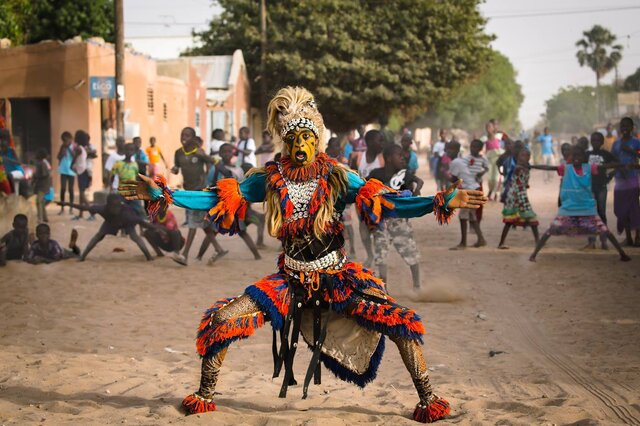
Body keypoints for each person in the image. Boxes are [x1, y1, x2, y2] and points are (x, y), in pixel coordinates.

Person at [120, 87, 487, 423]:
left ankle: (428, 398)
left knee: (402, 325)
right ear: (285, 140)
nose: (300, 145)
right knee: (221, 320)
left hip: (338, 278)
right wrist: (165, 196)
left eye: (307, 138)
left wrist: (437, 202)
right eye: (294, 138)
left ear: (317, 140)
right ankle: (204, 395)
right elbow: (215, 198)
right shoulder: (269, 177)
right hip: (289, 280)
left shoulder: (337, 176)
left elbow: (388, 203)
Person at [529, 145, 632, 262]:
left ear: (584, 157)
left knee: (606, 231)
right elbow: (549, 167)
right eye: (574, 155)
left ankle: (622, 254)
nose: (576, 157)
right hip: (568, 208)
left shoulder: (590, 168)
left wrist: (621, 165)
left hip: (586, 208)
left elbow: (606, 166)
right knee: (549, 232)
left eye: (579, 155)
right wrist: (531, 166)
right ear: (570, 157)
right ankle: (534, 254)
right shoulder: (566, 168)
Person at [369, 143, 424, 289]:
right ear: (388, 158)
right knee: (381, 255)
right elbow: (365, 189)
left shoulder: (405, 174)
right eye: (399, 155)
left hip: (400, 221)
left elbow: (419, 181)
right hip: (381, 221)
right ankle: (384, 288)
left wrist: (416, 191)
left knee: (410, 252)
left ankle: (417, 286)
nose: (402, 158)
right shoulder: (376, 174)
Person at [199, 143, 262, 262]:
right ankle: (199, 256)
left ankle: (256, 255)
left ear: (233, 153)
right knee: (213, 230)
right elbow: (210, 184)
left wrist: (245, 204)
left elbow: (242, 188)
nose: (226, 154)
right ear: (220, 154)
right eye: (224, 151)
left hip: (234, 206)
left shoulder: (238, 170)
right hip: (220, 205)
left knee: (242, 231)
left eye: (229, 151)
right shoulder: (215, 169)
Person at [172, 127, 226, 265]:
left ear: (193, 138)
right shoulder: (178, 152)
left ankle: (184, 256)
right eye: (182, 134)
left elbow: (213, 162)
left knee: (192, 223)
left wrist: (211, 175)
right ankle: (218, 249)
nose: (184, 137)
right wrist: (175, 169)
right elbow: (177, 166)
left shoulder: (199, 152)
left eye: (187, 135)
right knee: (203, 223)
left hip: (199, 191)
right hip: (188, 191)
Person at [59, 194, 153, 261]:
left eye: (117, 206)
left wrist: (156, 228)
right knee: (98, 236)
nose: (116, 209)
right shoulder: (102, 209)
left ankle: (148, 256)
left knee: (135, 237)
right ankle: (82, 256)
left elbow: (141, 221)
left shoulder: (127, 213)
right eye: (113, 206)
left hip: (126, 222)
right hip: (110, 222)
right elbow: (84, 208)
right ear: (108, 206)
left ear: (120, 205)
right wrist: (67, 204)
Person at [350, 129, 385, 267]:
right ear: (369, 142)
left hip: (378, 201)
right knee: (364, 231)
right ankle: (370, 254)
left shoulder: (382, 159)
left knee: (378, 230)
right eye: (379, 140)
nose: (382, 144)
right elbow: (352, 176)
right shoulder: (359, 157)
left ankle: (379, 257)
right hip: (362, 201)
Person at [497, 148, 540, 249]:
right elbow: (518, 173)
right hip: (515, 196)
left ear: (529, 158)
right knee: (513, 220)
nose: (523, 158)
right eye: (522, 155)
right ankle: (537, 241)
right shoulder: (518, 167)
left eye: (526, 156)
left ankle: (501, 243)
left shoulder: (525, 168)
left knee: (527, 219)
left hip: (521, 195)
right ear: (517, 157)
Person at [448, 141, 487, 250]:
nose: (447, 152)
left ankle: (463, 243)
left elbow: (454, 179)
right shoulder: (461, 161)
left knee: (463, 216)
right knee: (471, 216)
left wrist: (446, 177)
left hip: (468, 190)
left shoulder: (455, 162)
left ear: (456, 150)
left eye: (449, 149)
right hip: (474, 188)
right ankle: (481, 239)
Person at [611, 117, 640, 246]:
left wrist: (631, 151)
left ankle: (638, 238)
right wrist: (618, 168)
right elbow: (613, 160)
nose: (625, 128)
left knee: (634, 209)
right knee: (620, 209)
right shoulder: (616, 144)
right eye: (622, 126)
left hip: (633, 179)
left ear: (632, 128)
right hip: (619, 180)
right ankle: (628, 238)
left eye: (627, 126)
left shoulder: (636, 142)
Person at [585, 132, 617, 250]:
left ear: (602, 142)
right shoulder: (587, 154)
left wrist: (609, 176)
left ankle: (604, 240)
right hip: (590, 188)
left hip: (602, 187)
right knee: (590, 213)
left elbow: (617, 163)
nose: (595, 142)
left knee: (602, 213)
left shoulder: (606, 154)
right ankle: (591, 241)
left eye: (598, 140)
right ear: (590, 142)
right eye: (593, 140)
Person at [326, 137, 356, 256]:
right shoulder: (324, 165)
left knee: (348, 225)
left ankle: (352, 248)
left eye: (338, 146)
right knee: (332, 225)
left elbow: (348, 184)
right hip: (329, 201)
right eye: (334, 146)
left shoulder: (344, 167)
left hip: (343, 200)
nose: (337, 148)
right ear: (329, 148)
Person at [111, 143, 145, 218]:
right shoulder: (118, 164)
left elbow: (136, 177)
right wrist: (111, 188)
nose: (129, 152)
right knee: (119, 211)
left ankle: (143, 224)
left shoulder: (135, 165)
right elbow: (112, 176)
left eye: (131, 150)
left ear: (134, 152)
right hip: (122, 192)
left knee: (139, 210)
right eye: (127, 150)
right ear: (124, 151)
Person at [463, 139, 489, 222]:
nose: (472, 149)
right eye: (472, 147)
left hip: (478, 184)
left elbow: (486, 168)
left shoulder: (483, 159)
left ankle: (477, 221)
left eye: (475, 147)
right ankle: (470, 222)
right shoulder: (467, 158)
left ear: (480, 149)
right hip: (468, 184)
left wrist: (482, 173)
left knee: (478, 203)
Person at [72, 130, 90, 220]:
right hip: (83, 171)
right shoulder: (83, 148)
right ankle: (80, 213)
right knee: (81, 194)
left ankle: (92, 211)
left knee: (82, 194)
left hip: (81, 172)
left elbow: (74, 158)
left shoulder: (79, 148)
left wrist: (71, 165)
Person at [57, 131, 76, 214]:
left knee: (71, 189)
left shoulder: (73, 146)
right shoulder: (62, 146)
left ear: (70, 139)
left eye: (66, 140)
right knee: (63, 189)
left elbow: (74, 155)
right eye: (63, 141)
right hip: (63, 169)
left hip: (71, 170)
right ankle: (62, 208)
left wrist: (68, 147)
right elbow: (58, 157)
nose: (65, 142)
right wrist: (62, 150)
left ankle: (71, 208)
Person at [485, 120, 504, 200]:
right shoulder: (485, 139)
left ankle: (496, 193)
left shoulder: (499, 137)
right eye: (487, 127)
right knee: (490, 178)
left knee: (497, 177)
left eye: (490, 127)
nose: (489, 129)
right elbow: (485, 150)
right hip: (490, 161)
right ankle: (491, 191)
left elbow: (505, 146)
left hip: (498, 160)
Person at [33, 149, 52, 224]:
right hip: (41, 185)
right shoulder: (40, 163)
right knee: (42, 201)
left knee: (38, 201)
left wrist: (36, 176)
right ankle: (45, 217)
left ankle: (40, 218)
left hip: (43, 185)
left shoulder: (42, 164)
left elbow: (44, 174)